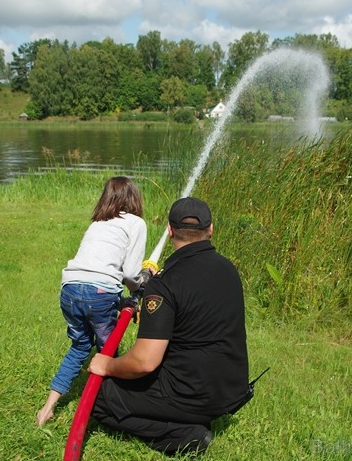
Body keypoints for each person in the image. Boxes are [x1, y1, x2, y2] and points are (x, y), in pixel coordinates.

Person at [88, 197, 249, 455]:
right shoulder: (229, 270)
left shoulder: (165, 284)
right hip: (232, 390)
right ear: (211, 229)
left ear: (170, 231)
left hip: (192, 393)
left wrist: (107, 365)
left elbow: (144, 362)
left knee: (98, 397)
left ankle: (186, 435)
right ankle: (192, 416)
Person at [36, 176, 150, 426]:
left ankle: (47, 409)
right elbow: (130, 274)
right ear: (135, 198)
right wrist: (143, 283)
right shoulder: (136, 223)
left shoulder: (98, 223)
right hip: (98, 294)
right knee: (109, 356)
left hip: (69, 290)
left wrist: (120, 301)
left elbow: (96, 273)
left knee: (79, 347)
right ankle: (109, 408)